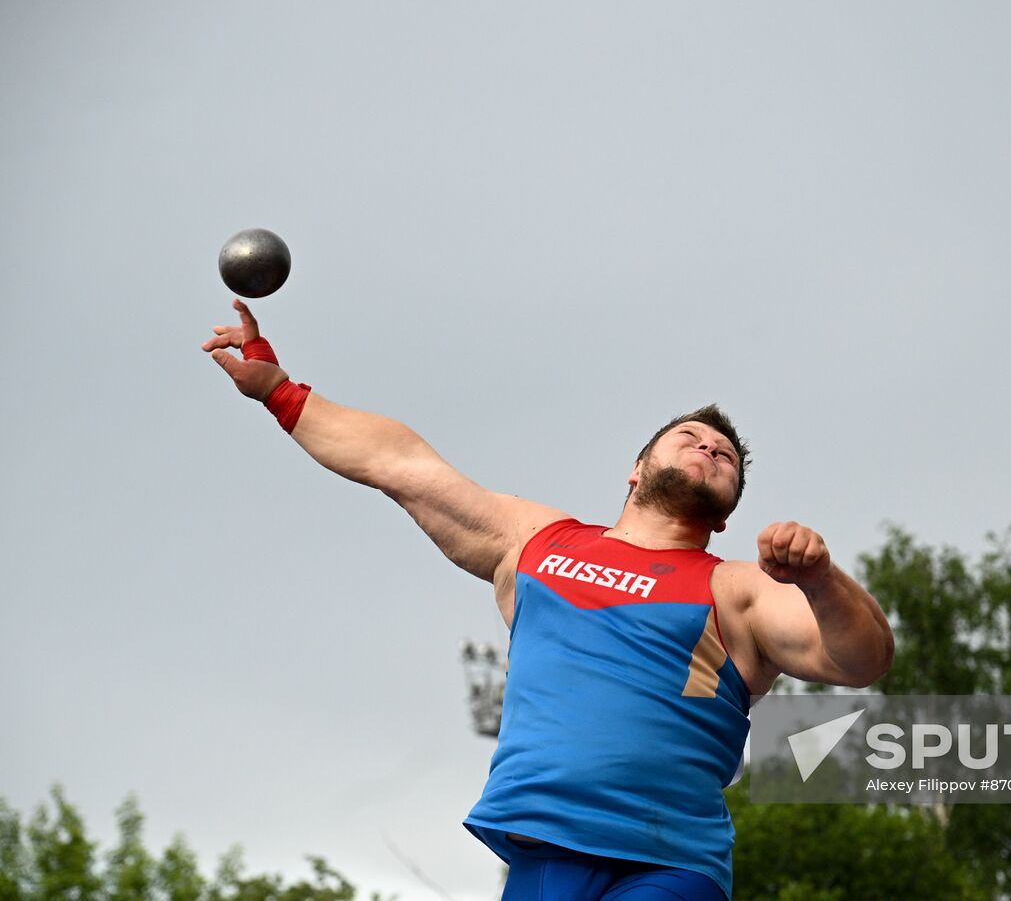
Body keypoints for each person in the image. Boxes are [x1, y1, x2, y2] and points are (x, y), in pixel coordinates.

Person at [203, 299, 894, 901]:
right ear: (635, 468)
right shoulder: (539, 542)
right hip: (541, 848)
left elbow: (861, 658)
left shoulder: (736, 588)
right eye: (689, 437)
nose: (708, 448)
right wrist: (280, 391)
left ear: (724, 515)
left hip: (672, 862)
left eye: (725, 457)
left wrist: (820, 578)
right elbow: (401, 463)